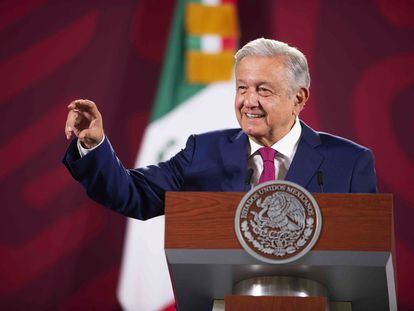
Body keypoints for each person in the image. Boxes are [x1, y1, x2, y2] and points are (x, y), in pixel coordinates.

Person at [63, 38, 377, 220]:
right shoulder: (204, 152)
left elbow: (367, 253)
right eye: (242, 88)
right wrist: (94, 144)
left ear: (299, 97)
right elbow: (133, 194)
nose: (249, 102)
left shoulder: (349, 162)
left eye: (264, 90)